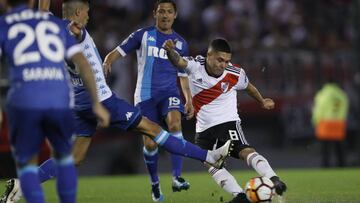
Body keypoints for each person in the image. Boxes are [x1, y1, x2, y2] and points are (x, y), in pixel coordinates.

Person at [0, 1, 232, 202]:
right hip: (101, 100)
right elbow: (73, 31)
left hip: (79, 103)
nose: (89, 17)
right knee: (154, 129)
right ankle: (209, 157)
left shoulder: (46, 28)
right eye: (87, 13)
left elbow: (42, 11)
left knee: (75, 157)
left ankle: (20, 186)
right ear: (78, 14)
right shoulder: (74, 30)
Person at [0, 0, 110, 202]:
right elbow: (83, 64)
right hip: (58, 97)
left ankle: (22, 190)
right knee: (65, 158)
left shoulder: (5, 25)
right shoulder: (56, 26)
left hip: (25, 99)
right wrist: (96, 102)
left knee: (27, 164)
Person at [163, 38, 287, 203]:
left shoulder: (234, 73)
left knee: (244, 151)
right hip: (203, 129)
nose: (223, 65)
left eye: (227, 61)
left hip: (227, 123)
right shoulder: (195, 66)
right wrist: (170, 51)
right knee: (211, 165)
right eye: (220, 60)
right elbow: (178, 61)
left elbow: (249, 86)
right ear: (209, 55)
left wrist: (262, 101)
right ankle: (240, 196)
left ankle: (273, 178)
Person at [103, 0, 193, 201]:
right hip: (145, 96)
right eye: (161, 11)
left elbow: (183, 75)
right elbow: (118, 51)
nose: (165, 15)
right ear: (155, 13)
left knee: (175, 122)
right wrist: (107, 60)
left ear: (175, 15)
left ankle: (177, 177)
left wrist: (188, 99)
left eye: (169, 12)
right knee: (150, 144)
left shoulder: (181, 43)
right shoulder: (142, 35)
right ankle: (154, 184)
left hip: (169, 93)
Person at [312, 78, 349, 168]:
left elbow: (318, 109)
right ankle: (342, 165)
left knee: (325, 147)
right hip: (339, 122)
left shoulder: (323, 94)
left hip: (326, 122)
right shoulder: (341, 94)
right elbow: (345, 107)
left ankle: (325, 166)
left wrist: (315, 120)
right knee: (339, 147)